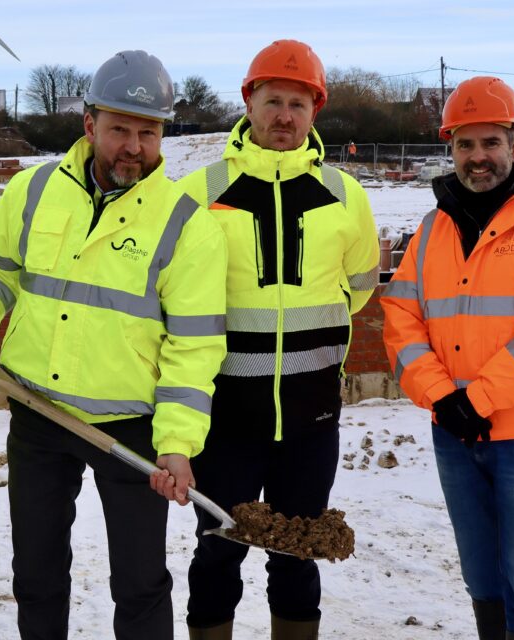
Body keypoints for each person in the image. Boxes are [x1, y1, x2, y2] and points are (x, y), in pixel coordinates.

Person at [0, 50, 227, 639]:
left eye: (147, 132)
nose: (133, 146)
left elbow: (193, 349)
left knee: (141, 582)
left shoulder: (185, 224)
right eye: (119, 127)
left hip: (129, 427)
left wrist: (176, 443)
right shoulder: (34, 190)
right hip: (37, 413)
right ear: (89, 124)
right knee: (38, 573)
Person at [380, 76, 514, 640]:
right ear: (450, 148)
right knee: (482, 581)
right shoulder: (433, 229)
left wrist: (478, 399)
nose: (478, 158)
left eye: (490, 143)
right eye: (464, 145)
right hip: (456, 435)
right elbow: (402, 322)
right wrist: (442, 397)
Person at [175, 40, 379, 640]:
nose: (284, 116)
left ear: (315, 110)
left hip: (312, 415)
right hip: (226, 416)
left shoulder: (345, 194)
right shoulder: (198, 192)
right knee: (219, 551)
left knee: (300, 551)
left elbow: (361, 284)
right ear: (249, 101)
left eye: (297, 103)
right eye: (272, 101)